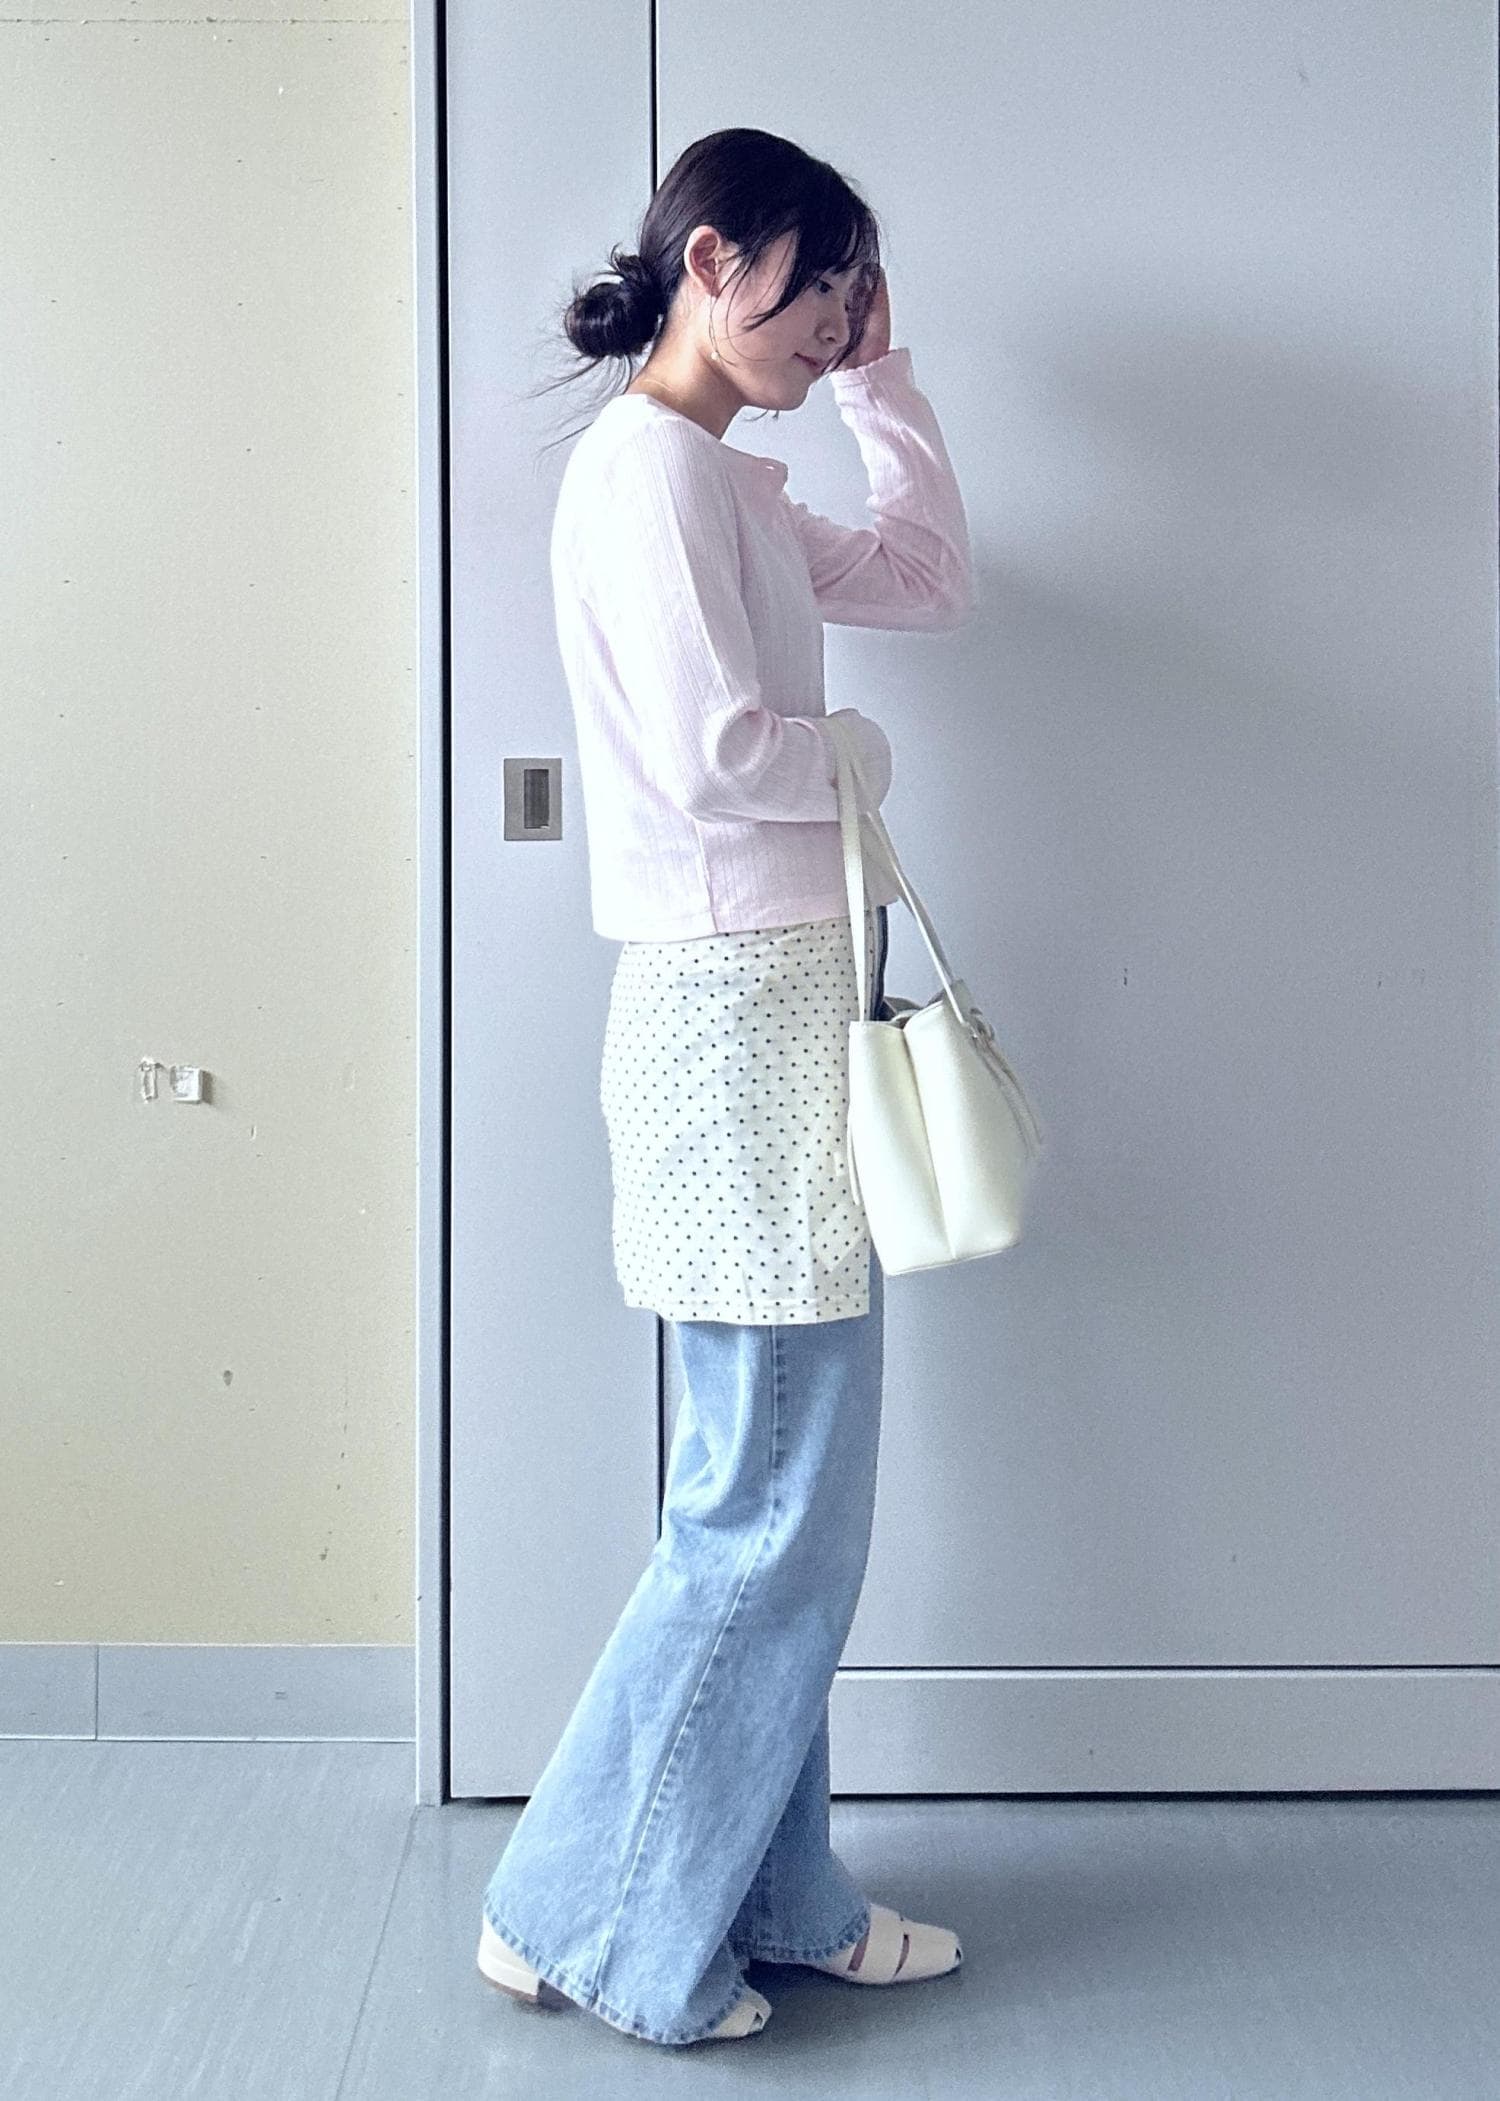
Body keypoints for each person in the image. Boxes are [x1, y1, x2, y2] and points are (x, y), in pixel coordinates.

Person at [476, 126, 975, 2050]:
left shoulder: (733, 481)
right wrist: (858, 754)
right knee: (762, 1512)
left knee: (785, 1505)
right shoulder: (649, 473)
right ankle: (583, 1910)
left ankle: (777, 1894)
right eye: (812, 285)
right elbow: (716, 759)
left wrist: (884, 383)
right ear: (710, 261)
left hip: (770, 1008)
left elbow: (928, 575)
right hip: (731, 1019)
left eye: (850, 291)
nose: (831, 319)